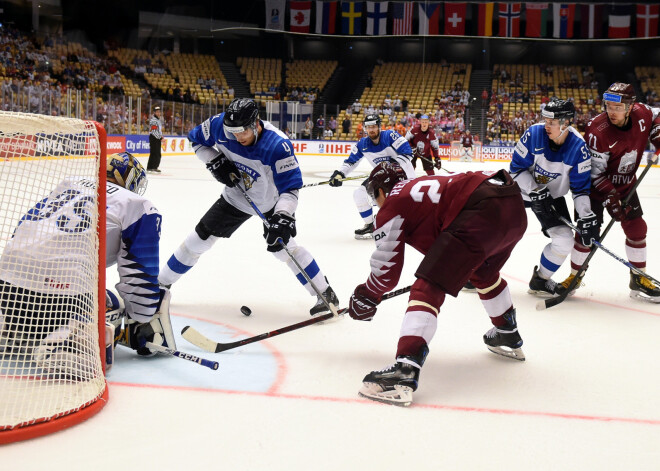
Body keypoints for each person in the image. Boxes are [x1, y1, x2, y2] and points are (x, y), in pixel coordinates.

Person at [347, 162, 528, 406]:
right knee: (483, 274)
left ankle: (405, 370)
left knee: (427, 286)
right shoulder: (417, 189)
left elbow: (386, 273)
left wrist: (366, 295)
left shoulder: (392, 203)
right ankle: (506, 332)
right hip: (512, 206)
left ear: (381, 190)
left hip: (481, 208)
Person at [158, 98, 339, 316]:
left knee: (284, 249)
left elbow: (290, 190)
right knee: (199, 239)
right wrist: (214, 160)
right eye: (231, 132)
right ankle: (160, 285)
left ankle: (325, 293)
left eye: (242, 132)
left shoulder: (278, 145)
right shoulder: (218, 125)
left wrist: (282, 216)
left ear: (256, 124)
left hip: (271, 202)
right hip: (237, 197)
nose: (236, 137)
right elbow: (196, 141)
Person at [0, 152, 175, 376]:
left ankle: (9, 323)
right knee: (110, 302)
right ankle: (67, 342)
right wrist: (143, 319)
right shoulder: (137, 204)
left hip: (6, 283)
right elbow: (138, 275)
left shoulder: (67, 185)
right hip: (60, 300)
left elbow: (22, 228)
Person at [562, 83, 660, 302]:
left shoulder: (642, 113)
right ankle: (574, 277)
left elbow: (657, 115)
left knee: (637, 228)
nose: (611, 111)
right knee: (586, 234)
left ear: (630, 106)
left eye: (617, 107)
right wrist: (610, 197)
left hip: (625, 184)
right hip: (593, 189)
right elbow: (595, 174)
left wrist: (658, 132)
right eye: (608, 106)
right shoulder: (598, 131)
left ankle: (638, 277)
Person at [509, 98, 599, 297]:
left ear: (566, 122)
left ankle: (540, 280)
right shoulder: (534, 134)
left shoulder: (579, 148)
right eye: (545, 120)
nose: (546, 125)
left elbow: (580, 189)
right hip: (520, 191)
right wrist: (535, 190)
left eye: (552, 122)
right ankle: (477, 274)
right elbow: (515, 169)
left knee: (565, 240)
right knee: (497, 231)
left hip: (552, 198)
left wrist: (586, 216)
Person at [328, 114, 415, 239]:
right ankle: (370, 225)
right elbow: (351, 162)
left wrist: (392, 164)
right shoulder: (362, 144)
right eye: (368, 127)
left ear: (379, 127)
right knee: (359, 194)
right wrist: (340, 173)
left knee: (398, 205)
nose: (371, 130)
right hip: (381, 177)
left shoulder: (390, 135)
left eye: (374, 126)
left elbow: (407, 152)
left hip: (403, 176)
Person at [147, 106, 163, 173]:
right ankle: (152, 167)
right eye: (157, 112)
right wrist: (160, 137)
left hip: (157, 138)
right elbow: (154, 131)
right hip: (154, 138)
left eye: (159, 112)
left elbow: (158, 130)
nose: (158, 113)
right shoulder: (153, 120)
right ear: (154, 112)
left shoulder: (158, 120)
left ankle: (153, 167)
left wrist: (161, 136)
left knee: (157, 153)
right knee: (155, 153)